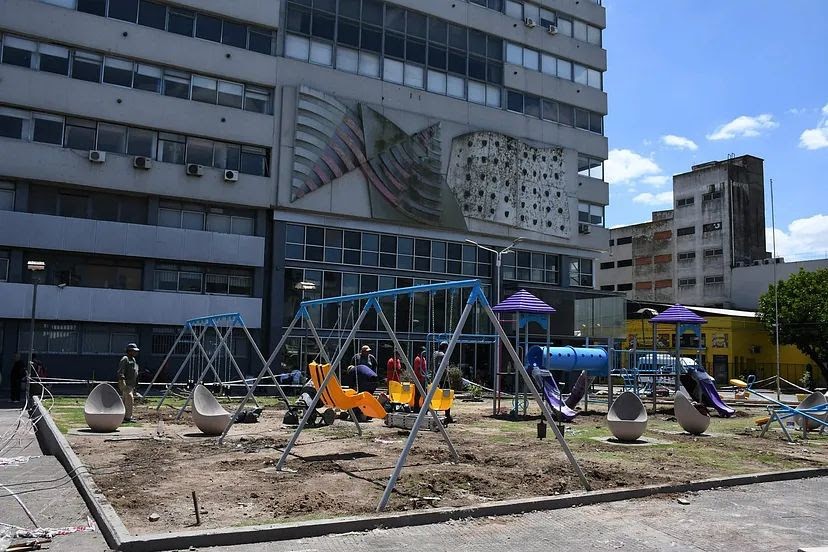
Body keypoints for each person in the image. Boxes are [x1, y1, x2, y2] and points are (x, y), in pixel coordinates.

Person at [117, 343, 140, 421]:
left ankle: (122, 415)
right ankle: (128, 417)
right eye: (134, 351)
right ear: (129, 351)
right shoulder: (125, 359)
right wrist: (122, 381)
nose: (135, 352)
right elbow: (121, 371)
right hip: (126, 383)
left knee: (125, 399)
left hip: (131, 384)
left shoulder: (133, 359)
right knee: (129, 399)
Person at [432, 341, 453, 422]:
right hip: (442, 379)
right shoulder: (443, 355)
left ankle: (432, 412)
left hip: (436, 379)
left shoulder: (435, 353)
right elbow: (441, 366)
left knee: (435, 396)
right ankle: (447, 415)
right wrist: (447, 372)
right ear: (445, 347)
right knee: (447, 396)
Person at [412, 347, 427, 412]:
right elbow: (418, 369)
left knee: (425, 394)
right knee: (418, 394)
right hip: (418, 379)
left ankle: (424, 408)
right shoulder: (417, 359)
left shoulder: (423, 359)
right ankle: (416, 407)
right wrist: (424, 373)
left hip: (423, 378)